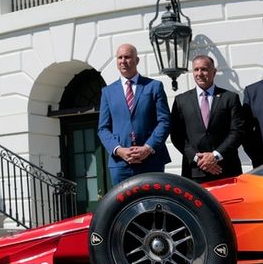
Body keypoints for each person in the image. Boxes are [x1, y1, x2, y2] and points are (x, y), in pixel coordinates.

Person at [96, 43, 170, 185]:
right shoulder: (107, 92)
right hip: (120, 164)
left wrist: (147, 148)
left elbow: (164, 121)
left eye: (128, 57)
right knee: (124, 206)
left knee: (153, 203)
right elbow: (103, 128)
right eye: (120, 57)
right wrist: (119, 150)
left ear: (137, 60)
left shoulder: (154, 86)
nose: (123, 61)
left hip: (151, 160)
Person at [169, 55, 245, 183]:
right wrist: (198, 159)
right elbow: (177, 135)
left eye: (204, 69)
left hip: (226, 168)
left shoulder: (230, 98)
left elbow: (238, 131)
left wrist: (215, 156)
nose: (199, 73)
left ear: (214, 72)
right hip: (194, 171)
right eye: (196, 69)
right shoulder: (181, 101)